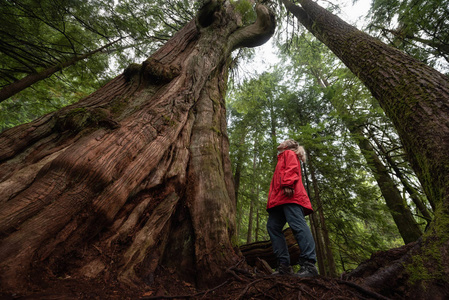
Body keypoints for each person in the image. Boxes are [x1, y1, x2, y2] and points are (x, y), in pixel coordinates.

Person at [266, 139, 318, 277]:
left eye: (283, 141)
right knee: (273, 226)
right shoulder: (282, 157)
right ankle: (284, 266)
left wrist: (288, 184)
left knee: (297, 225)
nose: (280, 142)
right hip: (279, 199)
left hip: (290, 195)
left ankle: (309, 264)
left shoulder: (289, 153)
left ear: (287, 145)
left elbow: (292, 168)